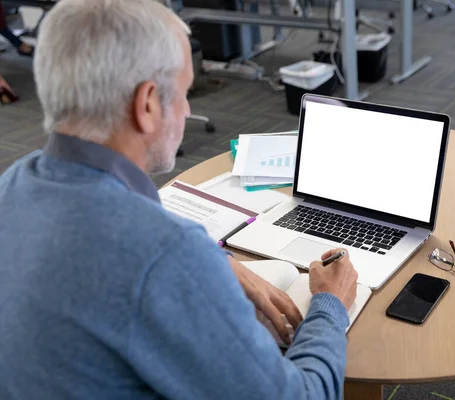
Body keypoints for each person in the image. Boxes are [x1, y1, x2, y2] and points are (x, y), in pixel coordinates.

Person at [0, 0, 359, 399]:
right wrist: (330, 302)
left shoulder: (14, 183)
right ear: (148, 104)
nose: (188, 110)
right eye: (186, 93)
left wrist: (215, 262)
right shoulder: (166, 253)